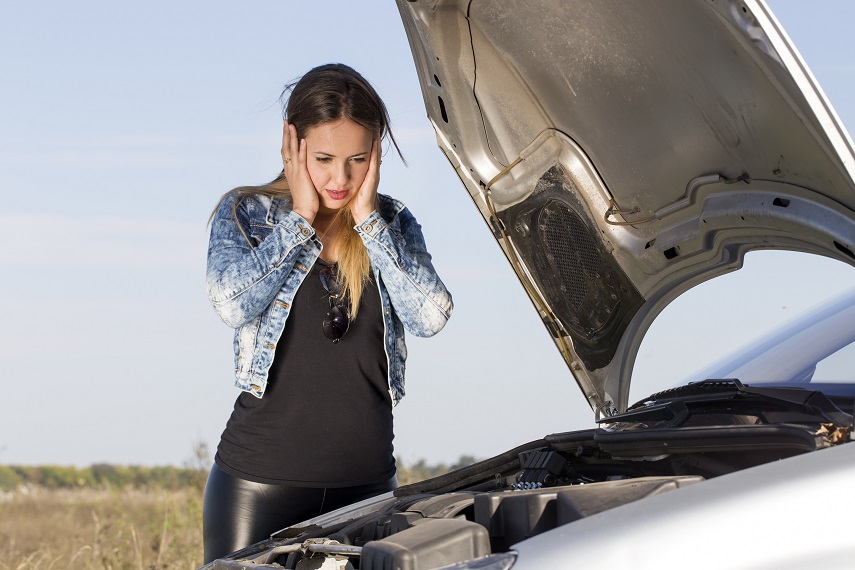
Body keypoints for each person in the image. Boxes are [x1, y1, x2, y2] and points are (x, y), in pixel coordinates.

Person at [202, 63, 453, 563]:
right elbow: (230, 304)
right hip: (257, 484)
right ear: (292, 146)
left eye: (357, 160)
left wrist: (368, 221)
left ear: (376, 153)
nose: (341, 178)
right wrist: (299, 219)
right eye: (324, 159)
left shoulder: (393, 223)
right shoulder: (246, 213)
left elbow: (430, 316)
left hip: (369, 488)